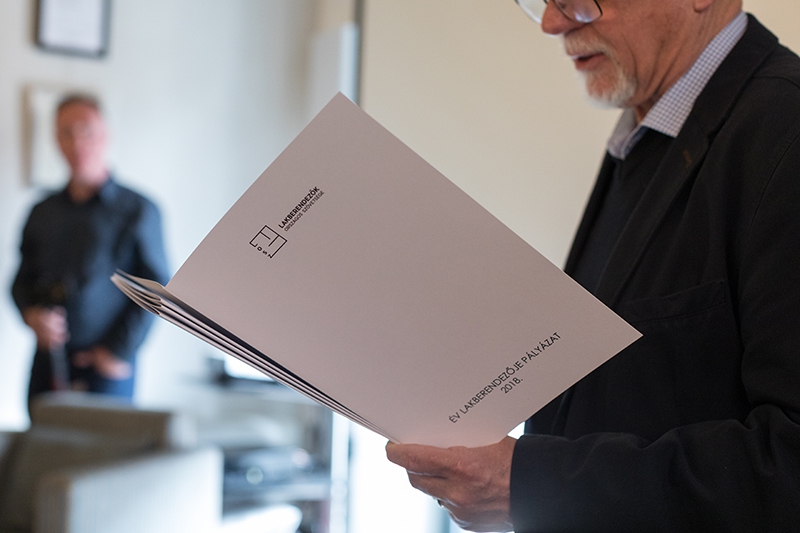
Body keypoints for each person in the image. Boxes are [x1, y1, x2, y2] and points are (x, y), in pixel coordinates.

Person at [386, 0, 800, 530]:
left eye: (581, 0)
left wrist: (529, 483)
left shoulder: (786, 129)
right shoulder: (646, 138)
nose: (554, 23)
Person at [12, 94, 169, 409]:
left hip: (106, 368)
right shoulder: (42, 211)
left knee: (104, 441)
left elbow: (156, 288)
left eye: (85, 130)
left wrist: (118, 351)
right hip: (49, 361)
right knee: (41, 438)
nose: (77, 142)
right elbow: (21, 281)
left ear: (104, 135)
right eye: (66, 132)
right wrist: (32, 316)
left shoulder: (138, 210)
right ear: (56, 140)